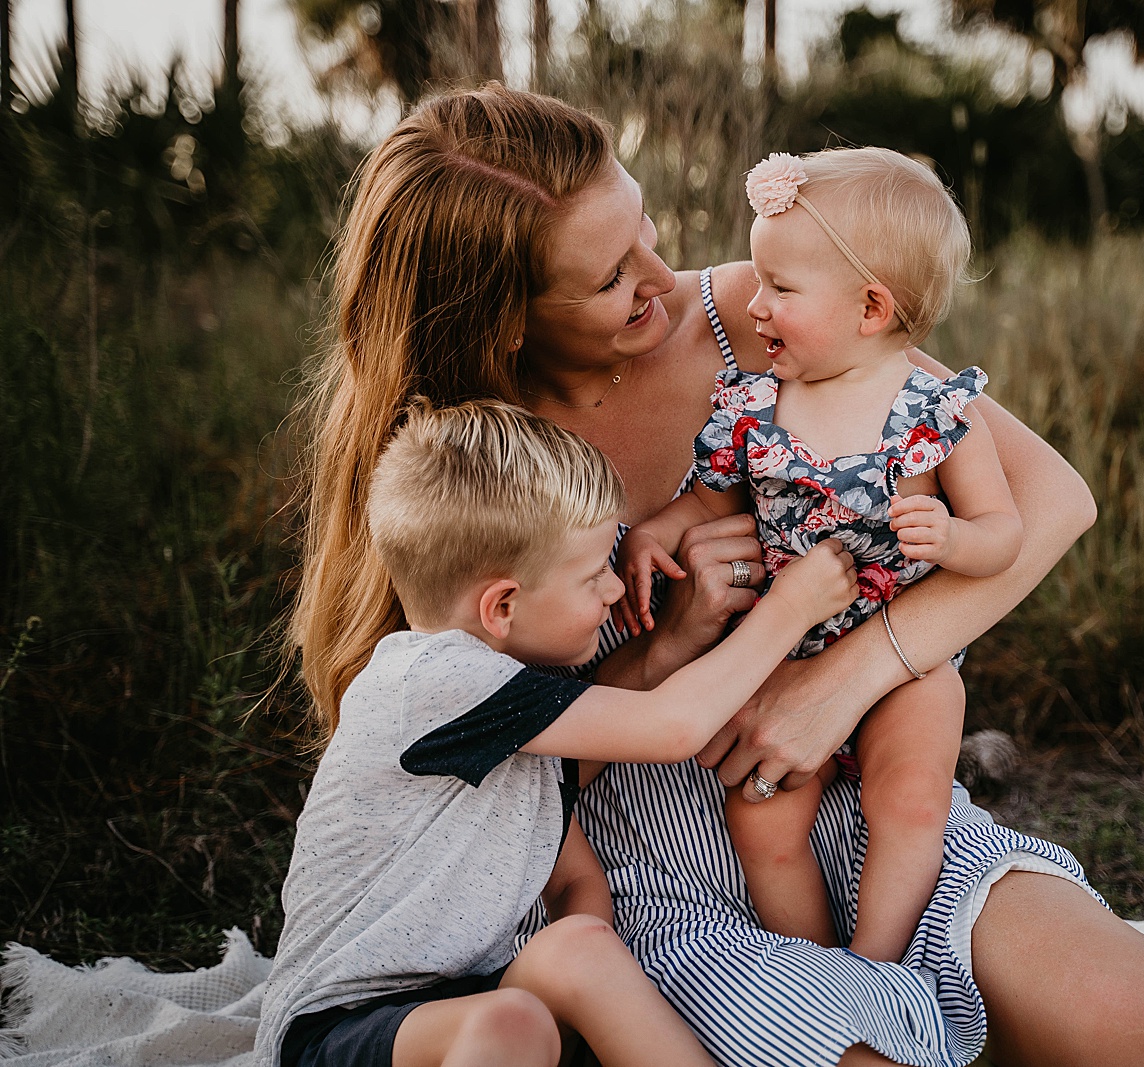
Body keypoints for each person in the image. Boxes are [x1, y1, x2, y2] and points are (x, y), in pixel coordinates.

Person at [288, 83, 1144, 1067]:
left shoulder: (768, 310)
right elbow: (469, 733)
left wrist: (835, 686)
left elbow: (1054, 502)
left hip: (864, 764)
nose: (662, 281)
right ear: (505, 323)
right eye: (612, 277)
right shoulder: (463, 471)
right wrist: (666, 639)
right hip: (644, 853)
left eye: (642, 233)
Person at [259, 398, 857, 1067]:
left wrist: (593, 978)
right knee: (513, 1021)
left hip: (472, 1007)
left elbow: (575, 882)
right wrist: (792, 607)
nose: (610, 591)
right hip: (336, 1033)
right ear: (503, 605)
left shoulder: (512, 722)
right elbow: (671, 726)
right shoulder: (431, 679)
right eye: (593, 572)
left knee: (569, 954)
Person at [616, 147, 1020, 962]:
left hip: (906, 665)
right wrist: (656, 533)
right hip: (776, 660)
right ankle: (815, 965)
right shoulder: (754, 408)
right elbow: (711, 500)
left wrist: (955, 538)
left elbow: (1004, 534)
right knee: (761, 818)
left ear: (871, 306)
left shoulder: (934, 416)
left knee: (910, 800)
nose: (754, 305)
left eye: (780, 289)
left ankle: (880, 964)